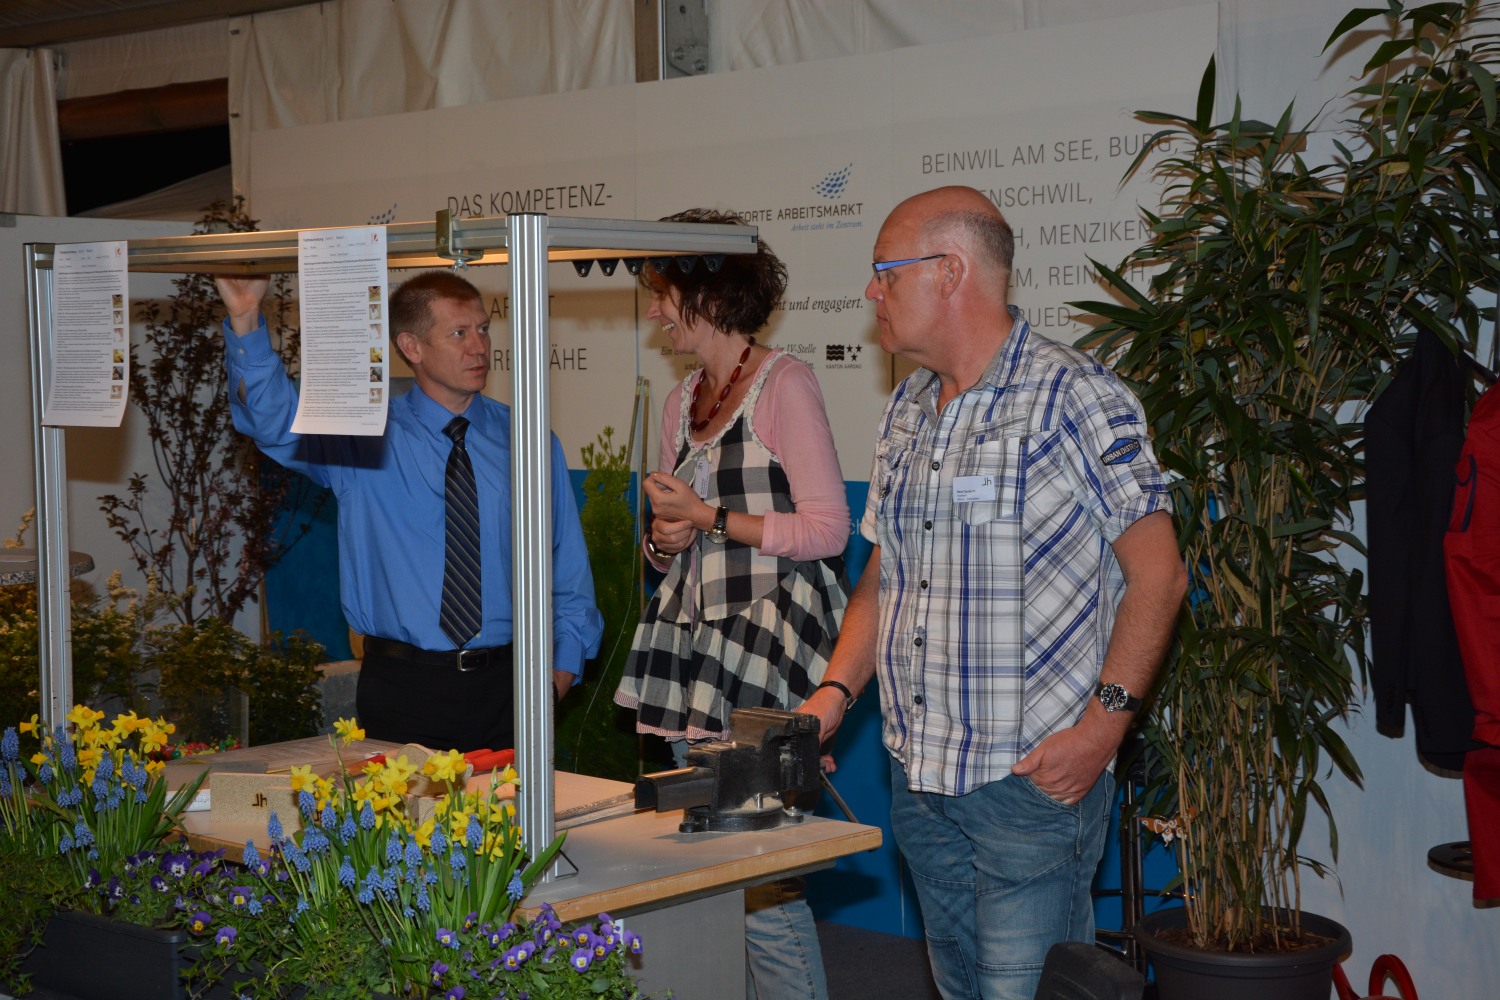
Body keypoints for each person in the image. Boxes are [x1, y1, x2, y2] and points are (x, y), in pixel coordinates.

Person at [799, 186, 1187, 1000]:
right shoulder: (906, 408)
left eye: (885, 272)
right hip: (919, 780)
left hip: (1029, 787)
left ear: (950, 272)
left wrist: (1102, 731)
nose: (871, 292)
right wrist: (836, 691)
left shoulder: (1073, 396)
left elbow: (1160, 574)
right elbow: (886, 573)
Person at [614, 208, 851, 1000]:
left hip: (770, 651)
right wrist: (666, 540)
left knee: (760, 879)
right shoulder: (681, 400)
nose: (655, 311)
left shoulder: (785, 384)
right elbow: (668, 548)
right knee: (709, 866)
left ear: (709, 293)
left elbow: (827, 530)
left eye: (663, 292)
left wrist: (709, 517)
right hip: (695, 652)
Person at [216, 271, 603, 753]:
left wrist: (556, 679)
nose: (479, 347)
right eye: (459, 333)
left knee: (515, 808)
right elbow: (272, 421)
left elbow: (567, 571)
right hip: (403, 690)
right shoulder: (363, 437)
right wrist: (246, 318)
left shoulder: (528, 440)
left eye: (483, 329)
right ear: (411, 346)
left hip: (511, 687)